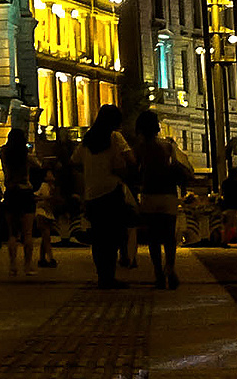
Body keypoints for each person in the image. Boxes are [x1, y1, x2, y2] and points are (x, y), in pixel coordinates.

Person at [73, 104, 136, 289]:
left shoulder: (87, 139)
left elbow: (74, 161)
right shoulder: (115, 137)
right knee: (114, 236)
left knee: (99, 239)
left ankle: (102, 276)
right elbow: (131, 159)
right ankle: (110, 276)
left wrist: (89, 172)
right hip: (111, 193)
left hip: (92, 195)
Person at [133, 109, 193, 289]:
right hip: (168, 196)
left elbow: (134, 171)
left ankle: (158, 274)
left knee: (153, 238)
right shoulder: (168, 146)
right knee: (168, 237)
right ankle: (171, 268)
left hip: (149, 195)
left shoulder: (140, 149)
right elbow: (179, 166)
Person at [0, 130, 39, 276]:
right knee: (27, 233)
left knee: (12, 233)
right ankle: (27, 266)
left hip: (11, 192)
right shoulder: (26, 156)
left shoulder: (4, 153)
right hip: (25, 193)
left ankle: (12, 265)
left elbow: (2, 149)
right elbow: (38, 165)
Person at [33, 162, 59, 268]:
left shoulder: (53, 187)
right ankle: (51, 258)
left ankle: (42, 259)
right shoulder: (44, 186)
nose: (51, 175)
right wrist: (45, 199)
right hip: (42, 213)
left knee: (45, 238)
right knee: (47, 236)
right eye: (49, 173)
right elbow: (35, 197)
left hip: (47, 214)